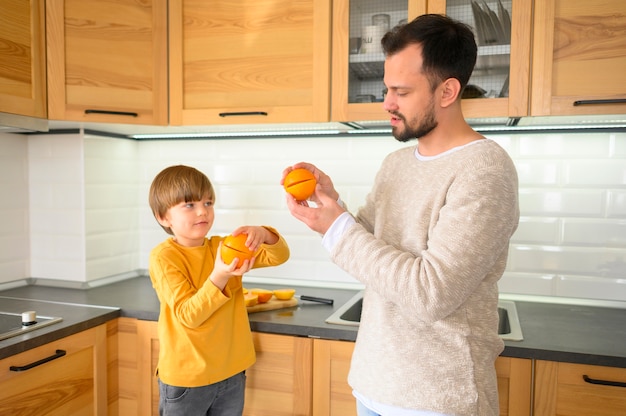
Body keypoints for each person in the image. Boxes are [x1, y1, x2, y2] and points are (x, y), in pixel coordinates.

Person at [281, 14, 519, 416]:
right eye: (387, 89)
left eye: (401, 91)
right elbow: (367, 250)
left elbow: (430, 294)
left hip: (438, 400)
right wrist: (331, 204)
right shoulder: (396, 164)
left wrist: (337, 227)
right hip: (374, 384)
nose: (387, 103)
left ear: (447, 91)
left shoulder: (485, 171)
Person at [148, 165, 290, 416]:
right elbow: (189, 315)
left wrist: (264, 234)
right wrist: (220, 275)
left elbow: (278, 257)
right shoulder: (164, 257)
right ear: (163, 217)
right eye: (189, 205)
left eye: (208, 202)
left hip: (232, 373)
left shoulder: (223, 247)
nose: (203, 211)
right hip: (188, 380)